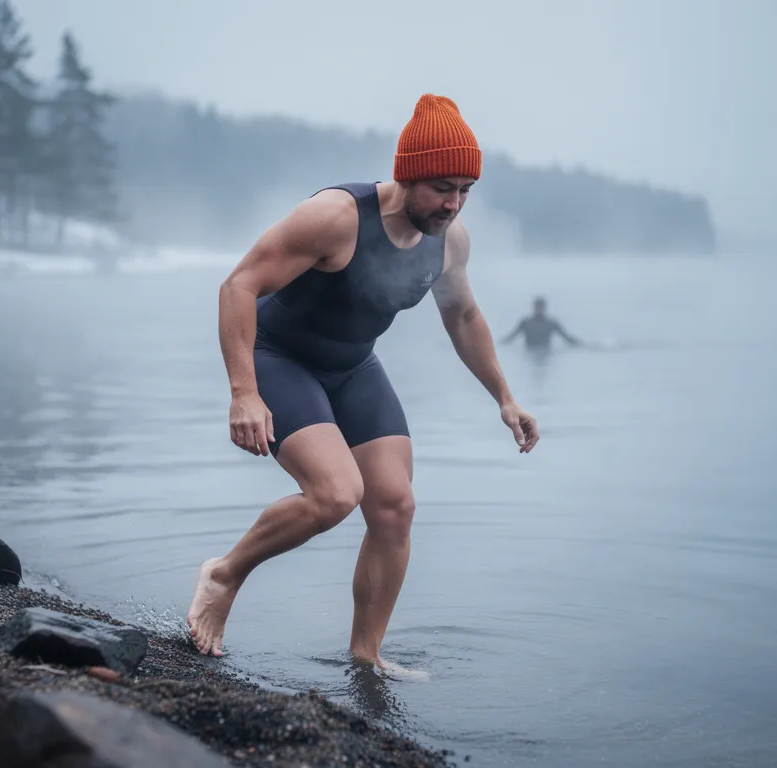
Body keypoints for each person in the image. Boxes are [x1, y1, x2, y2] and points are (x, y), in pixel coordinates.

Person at [186, 94, 540, 666]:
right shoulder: (336, 217)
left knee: (395, 506)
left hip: (352, 367)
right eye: (443, 187)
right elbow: (239, 285)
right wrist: (244, 392)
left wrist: (506, 398)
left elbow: (464, 316)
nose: (454, 203)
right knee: (334, 495)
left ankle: (365, 660)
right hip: (280, 357)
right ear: (408, 174)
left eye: (466, 190)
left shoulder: (450, 240)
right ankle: (224, 575)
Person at [500, 296, 582, 351]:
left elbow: (567, 338)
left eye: (541, 307)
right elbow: (510, 337)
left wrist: (584, 345)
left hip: (545, 352)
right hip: (530, 352)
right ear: (533, 307)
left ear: (545, 308)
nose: (539, 309)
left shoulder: (551, 323)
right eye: (537, 307)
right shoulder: (526, 322)